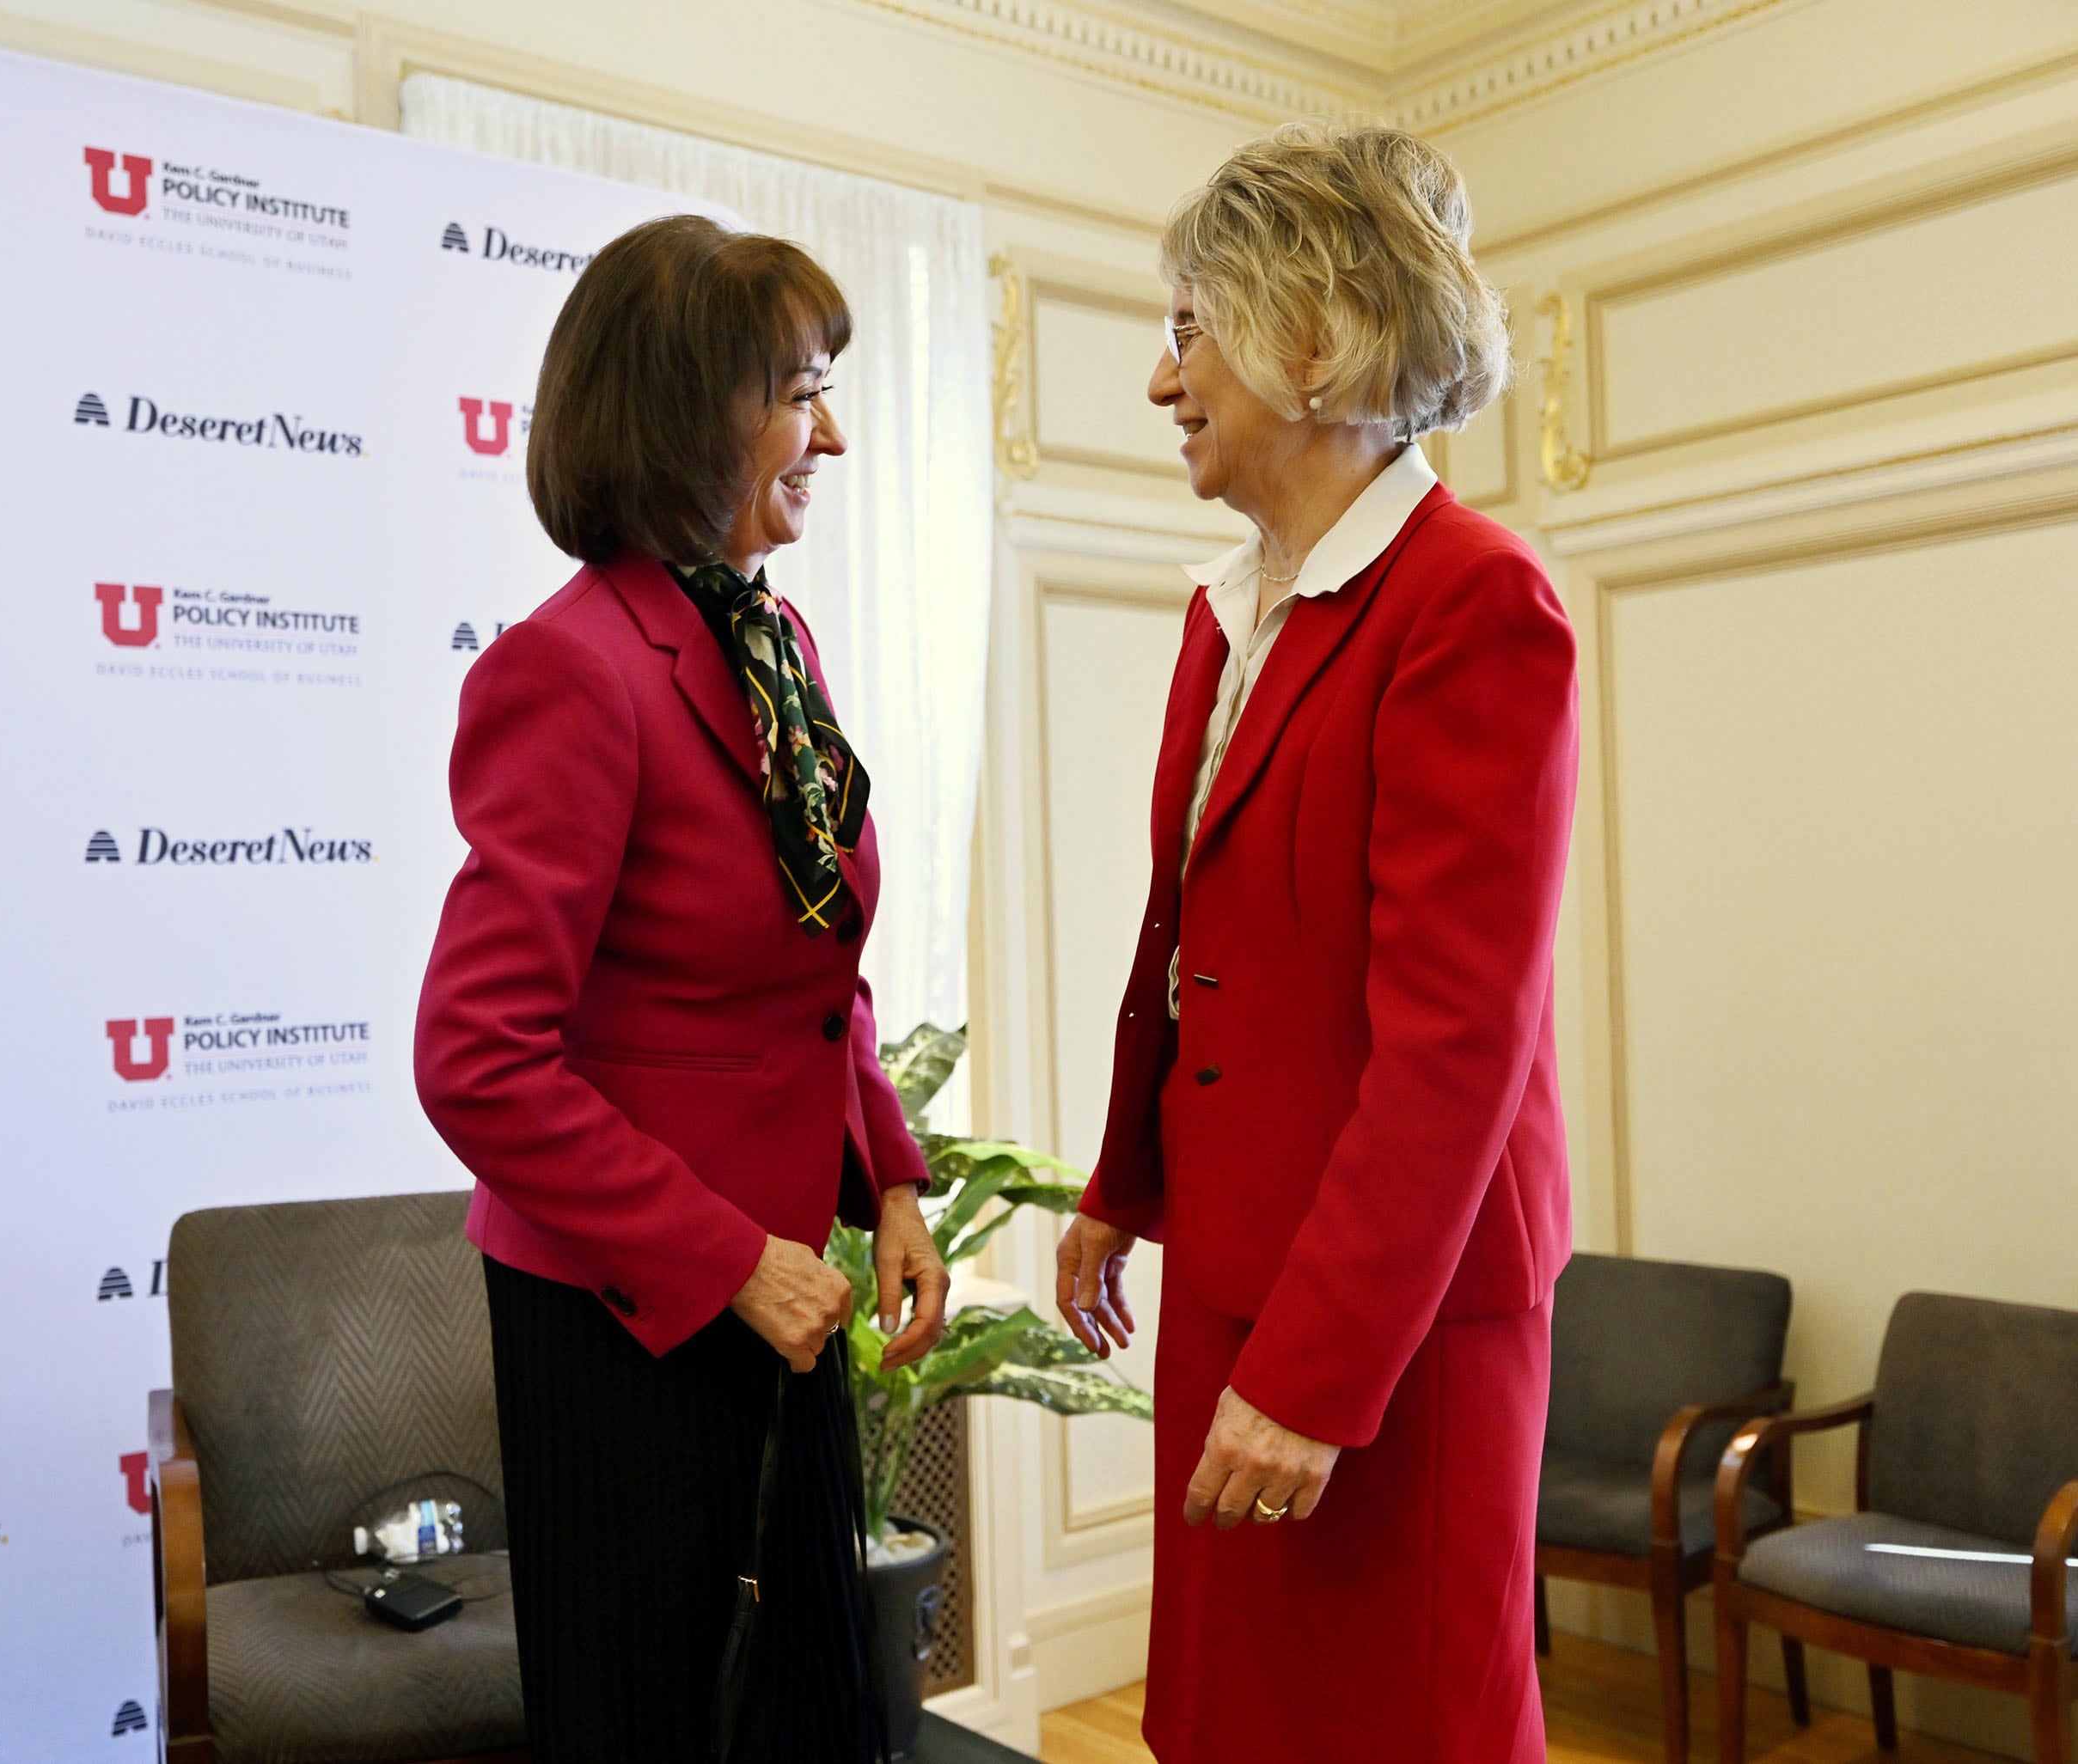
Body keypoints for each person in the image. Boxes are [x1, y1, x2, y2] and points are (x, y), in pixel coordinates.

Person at [1054, 122, 1579, 1762]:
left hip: (1389, 1324)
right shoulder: (1233, 602)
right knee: (1231, 1723)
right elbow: (1193, 939)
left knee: (1387, 1724)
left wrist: (1317, 1373)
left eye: (1187, 326)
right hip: (1230, 1266)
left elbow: (1455, 1045)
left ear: (1310, 328)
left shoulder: (1475, 602)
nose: (1164, 381)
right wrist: (1120, 1190)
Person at [415, 214, 945, 1764]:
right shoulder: (568, 669)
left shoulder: (773, 645)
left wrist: (894, 1176)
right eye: (797, 389)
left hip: (780, 1294)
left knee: (798, 1721)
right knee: (662, 1725)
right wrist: (727, 1261)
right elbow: (476, 1061)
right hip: (633, 1318)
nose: (829, 434)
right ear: (684, 407)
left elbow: (814, 969)